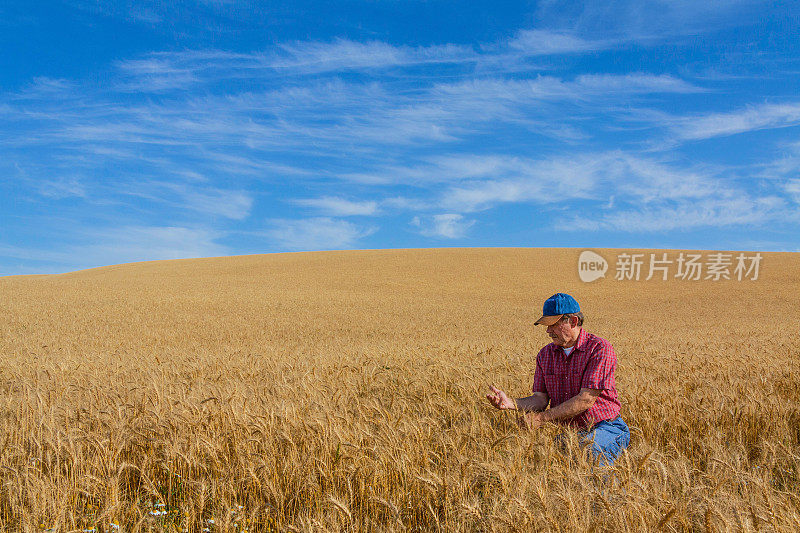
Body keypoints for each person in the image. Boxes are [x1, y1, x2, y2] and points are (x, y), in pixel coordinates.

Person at [486, 293, 630, 464]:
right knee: (544, 461)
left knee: (591, 453)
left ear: (574, 322)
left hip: (606, 427)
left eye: (553, 325)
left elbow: (586, 400)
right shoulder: (545, 355)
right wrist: (511, 403)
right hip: (570, 432)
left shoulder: (599, 349)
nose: (548, 331)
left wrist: (541, 419)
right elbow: (540, 399)